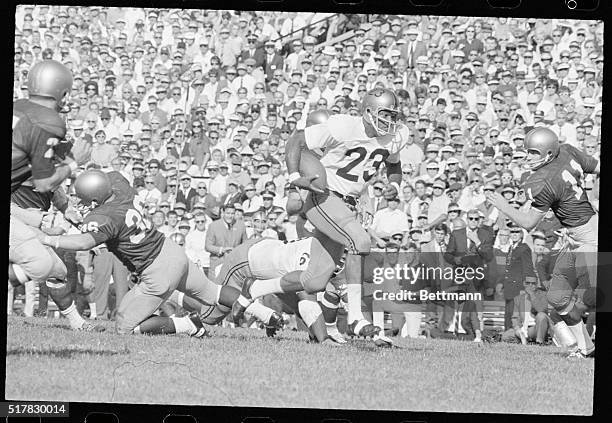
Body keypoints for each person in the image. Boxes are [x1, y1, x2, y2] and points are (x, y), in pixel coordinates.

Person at [38, 170, 241, 337]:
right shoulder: (120, 187)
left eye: (83, 199)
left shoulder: (102, 216)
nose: (81, 204)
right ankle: (268, 316)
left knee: (124, 326)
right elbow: (114, 174)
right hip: (170, 250)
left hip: (156, 269)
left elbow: (83, 242)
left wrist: (47, 239)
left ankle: (188, 325)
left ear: (95, 197)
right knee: (213, 292)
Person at [285, 88, 406, 343]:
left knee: (316, 280)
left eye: (393, 115)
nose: (390, 122)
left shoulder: (396, 136)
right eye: (384, 115)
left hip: (347, 206)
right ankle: (354, 319)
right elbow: (297, 140)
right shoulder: (341, 127)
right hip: (325, 198)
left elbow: (393, 163)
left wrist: (393, 186)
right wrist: (295, 177)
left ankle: (257, 289)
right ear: (368, 112)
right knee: (356, 247)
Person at [486, 127, 599, 358]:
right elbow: (597, 167)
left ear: (548, 154)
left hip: (589, 240)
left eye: (533, 153)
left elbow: (528, 223)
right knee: (556, 297)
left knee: (591, 299)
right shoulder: (567, 150)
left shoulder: (543, 180)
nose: (527, 157)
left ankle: (580, 346)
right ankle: (584, 348)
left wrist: (503, 205)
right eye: (527, 152)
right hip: (578, 235)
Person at [10, 59, 97, 331]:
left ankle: (75, 322)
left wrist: (65, 205)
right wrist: (74, 163)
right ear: (62, 91)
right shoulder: (47, 122)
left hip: (28, 216)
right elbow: (45, 182)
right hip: (20, 214)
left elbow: (47, 183)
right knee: (42, 263)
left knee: (56, 270)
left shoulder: (20, 109)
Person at [218, 236, 339, 345]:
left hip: (266, 250)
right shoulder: (315, 264)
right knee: (210, 311)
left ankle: (266, 312)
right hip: (247, 258)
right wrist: (324, 339)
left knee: (299, 298)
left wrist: (316, 336)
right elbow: (308, 302)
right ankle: (255, 292)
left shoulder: (319, 249)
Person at [205, 204, 248, 278]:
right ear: (223, 213)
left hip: (234, 265)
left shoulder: (241, 225)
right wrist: (221, 250)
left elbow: (245, 244)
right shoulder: (213, 226)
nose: (230, 216)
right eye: (228, 213)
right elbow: (207, 246)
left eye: (232, 213)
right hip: (217, 263)